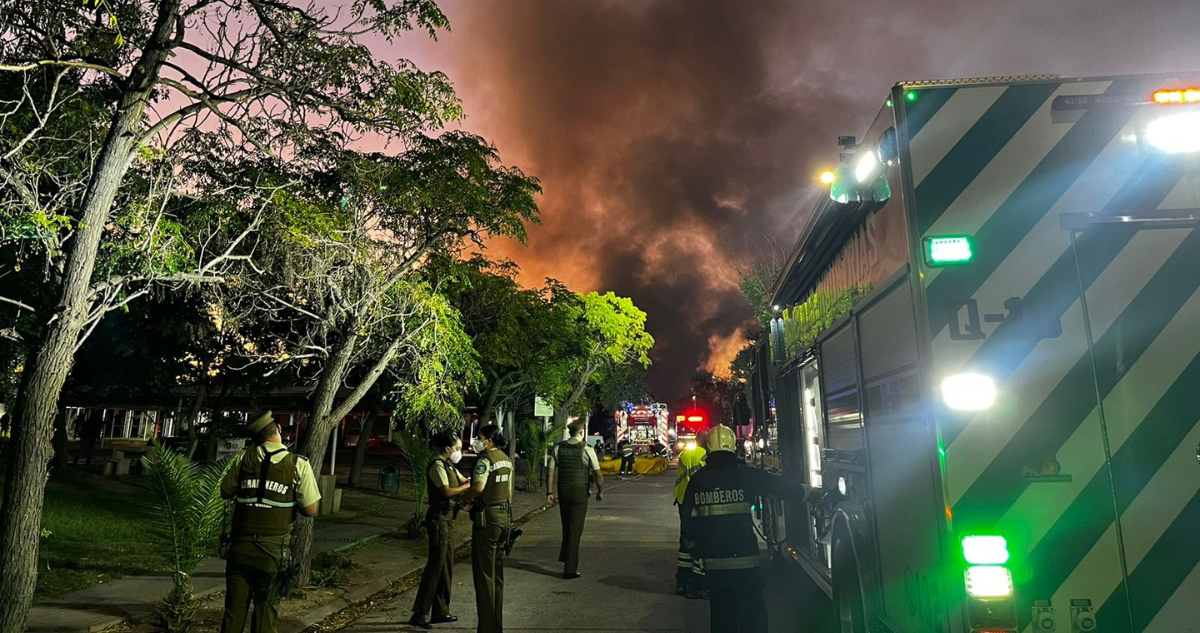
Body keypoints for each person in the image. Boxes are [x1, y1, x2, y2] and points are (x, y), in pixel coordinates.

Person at [682, 425, 808, 633]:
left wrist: (697, 554)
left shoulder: (697, 481)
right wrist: (809, 493)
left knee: (722, 619)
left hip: (715, 571)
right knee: (753, 618)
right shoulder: (746, 476)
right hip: (746, 569)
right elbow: (781, 487)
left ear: (709, 447)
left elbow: (688, 524)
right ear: (733, 446)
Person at [220, 411, 321, 633]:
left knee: (233, 613)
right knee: (265, 614)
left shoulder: (243, 458)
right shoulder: (298, 464)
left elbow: (225, 491)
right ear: (279, 431)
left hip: (239, 549)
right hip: (273, 553)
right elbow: (311, 510)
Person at [409, 430, 471, 629]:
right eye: (458, 448)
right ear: (447, 448)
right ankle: (419, 614)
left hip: (448, 519)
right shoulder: (437, 465)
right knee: (436, 566)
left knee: (446, 567)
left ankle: (440, 611)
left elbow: (462, 481)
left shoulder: (449, 466)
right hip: (438, 520)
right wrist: (467, 487)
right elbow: (446, 491)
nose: (460, 451)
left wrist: (468, 483)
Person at [464, 424, 512, 633]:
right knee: (497, 574)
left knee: (484, 576)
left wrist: (463, 499)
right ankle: (496, 625)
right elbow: (510, 494)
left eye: (480, 437)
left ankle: (486, 628)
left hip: (487, 519)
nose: (477, 440)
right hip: (504, 517)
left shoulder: (485, 460)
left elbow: (479, 487)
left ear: (489, 441)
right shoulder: (506, 460)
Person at [547, 421, 603, 579]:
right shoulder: (587, 449)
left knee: (566, 526)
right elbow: (598, 474)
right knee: (575, 530)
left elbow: (550, 472)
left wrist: (549, 492)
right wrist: (600, 492)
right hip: (579, 492)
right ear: (581, 432)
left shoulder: (558, 448)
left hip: (563, 491)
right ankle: (570, 569)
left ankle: (565, 556)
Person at [674, 428, 709, 598]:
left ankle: (681, 581)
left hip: (682, 502)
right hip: (698, 502)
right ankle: (697, 584)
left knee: (685, 541)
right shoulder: (706, 457)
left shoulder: (684, 455)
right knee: (701, 541)